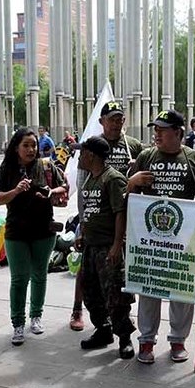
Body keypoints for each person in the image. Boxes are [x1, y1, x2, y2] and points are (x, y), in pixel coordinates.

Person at [128, 110, 195, 363]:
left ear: (178, 132)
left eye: (162, 129)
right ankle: (146, 341)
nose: (156, 134)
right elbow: (127, 193)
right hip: (149, 237)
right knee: (149, 287)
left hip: (183, 237)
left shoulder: (194, 159)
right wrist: (132, 181)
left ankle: (178, 340)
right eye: (155, 129)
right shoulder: (145, 156)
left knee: (181, 289)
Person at [69, 101, 144, 331]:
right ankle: (82, 312)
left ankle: (121, 324)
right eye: (111, 119)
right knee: (89, 274)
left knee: (118, 277)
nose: (116, 123)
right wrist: (83, 224)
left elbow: (145, 181)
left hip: (123, 220)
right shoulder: (91, 149)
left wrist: (135, 173)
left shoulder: (133, 146)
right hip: (96, 221)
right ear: (102, 121)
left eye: (120, 119)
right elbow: (84, 192)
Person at [0, 128, 69, 345]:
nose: (31, 149)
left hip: (43, 231)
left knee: (39, 274)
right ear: (16, 147)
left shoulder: (46, 165)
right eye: (26, 145)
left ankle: (36, 316)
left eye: (33, 145)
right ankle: (17, 322)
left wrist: (50, 192)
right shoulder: (7, 168)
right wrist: (16, 190)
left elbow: (63, 186)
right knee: (19, 278)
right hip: (16, 232)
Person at [76, 136, 136, 358]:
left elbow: (120, 212)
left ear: (91, 155)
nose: (79, 157)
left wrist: (116, 245)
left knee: (115, 295)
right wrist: (81, 233)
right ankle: (103, 329)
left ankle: (125, 338)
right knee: (90, 291)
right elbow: (88, 211)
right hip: (91, 246)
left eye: (81, 153)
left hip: (107, 246)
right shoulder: (90, 179)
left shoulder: (112, 179)